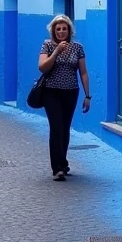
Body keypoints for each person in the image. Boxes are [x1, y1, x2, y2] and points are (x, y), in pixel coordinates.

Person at [38, 14, 91, 181]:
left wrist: (87, 95)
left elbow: (83, 72)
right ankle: (58, 168)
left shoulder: (78, 47)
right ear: (53, 31)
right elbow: (42, 67)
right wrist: (56, 52)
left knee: (65, 128)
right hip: (51, 92)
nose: (61, 31)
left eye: (64, 28)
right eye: (58, 29)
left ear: (69, 31)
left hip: (70, 92)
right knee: (56, 127)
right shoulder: (47, 45)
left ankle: (63, 162)